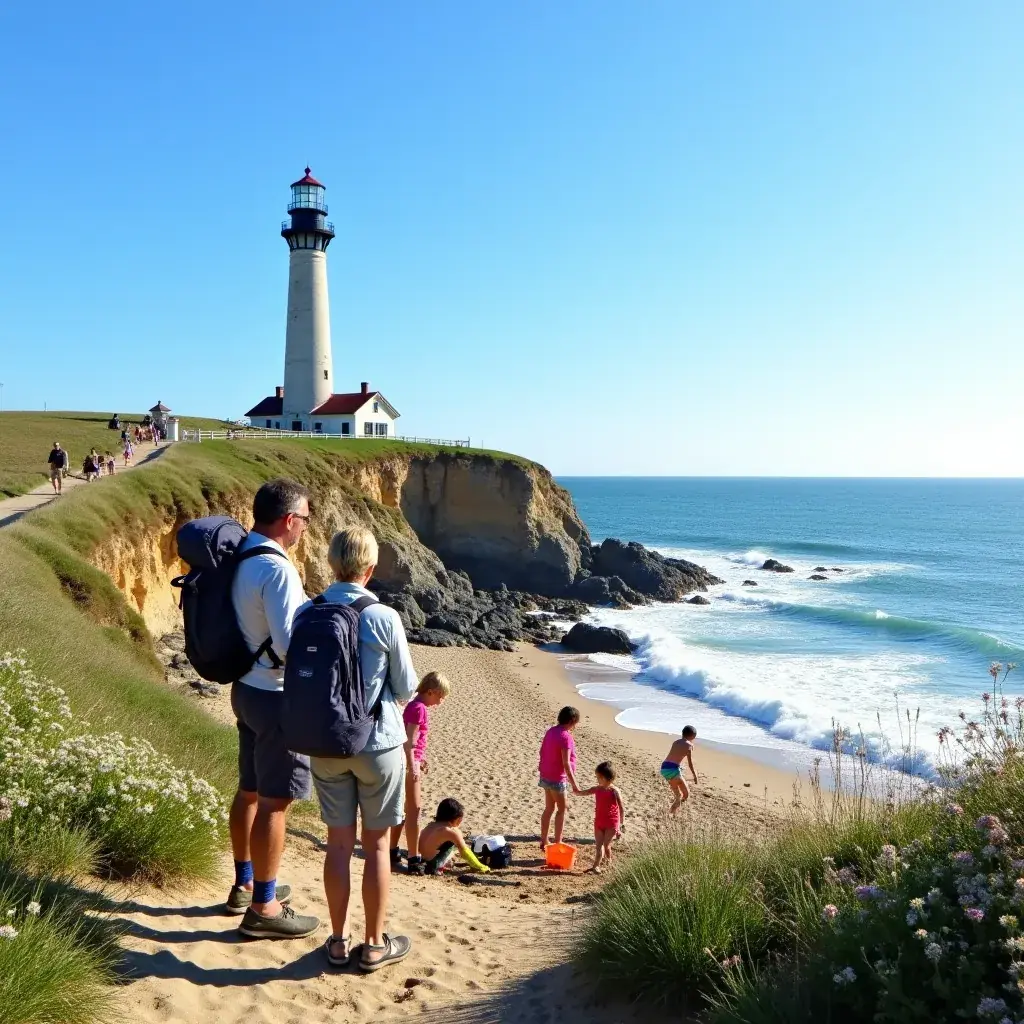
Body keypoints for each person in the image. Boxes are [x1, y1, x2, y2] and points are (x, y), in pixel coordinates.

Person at [309, 526, 419, 972]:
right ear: (370, 569)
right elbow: (406, 686)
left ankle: (337, 941)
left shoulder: (308, 611)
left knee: (338, 846)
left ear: (332, 563)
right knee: (375, 847)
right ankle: (374, 944)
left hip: (325, 742)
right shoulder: (384, 617)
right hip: (377, 743)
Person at [228, 478, 320, 939]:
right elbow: (287, 647)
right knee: (274, 803)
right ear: (289, 520)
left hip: (245, 687)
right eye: (304, 519)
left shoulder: (243, 552)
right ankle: (264, 907)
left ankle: (245, 884)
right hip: (275, 695)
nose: (305, 527)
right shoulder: (279, 569)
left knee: (248, 791)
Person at [391, 671, 451, 875]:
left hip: (406, 760)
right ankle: (413, 857)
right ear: (431, 692)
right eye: (441, 697)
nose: (441, 701)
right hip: (408, 762)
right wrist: (413, 764)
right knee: (414, 810)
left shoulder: (412, 705)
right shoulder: (420, 709)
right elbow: (410, 740)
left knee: (401, 808)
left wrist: (419, 759)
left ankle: (392, 850)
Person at [538, 706, 581, 850]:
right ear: (572, 721)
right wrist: (574, 784)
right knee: (562, 809)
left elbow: (541, 751)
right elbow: (566, 763)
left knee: (549, 808)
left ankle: (544, 841)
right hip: (557, 779)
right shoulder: (565, 736)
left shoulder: (550, 731)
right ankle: (558, 841)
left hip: (546, 775)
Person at [417, 798, 491, 876]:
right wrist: (481, 867)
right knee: (456, 842)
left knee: (449, 844)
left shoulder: (430, 825)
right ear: (456, 818)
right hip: (433, 867)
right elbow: (465, 852)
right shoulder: (451, 831)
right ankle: (440, 868)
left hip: (422, 861)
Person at [576, 762, 625, 873]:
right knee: (599, 846)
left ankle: (604, 863)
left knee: (606, 845)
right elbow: (583, 793)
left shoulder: (614, 791)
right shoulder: (597, 789)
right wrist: (575, 790)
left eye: (598, 777)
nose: (597, 779)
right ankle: (599, 865)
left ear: (606, 778)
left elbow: (621, 808)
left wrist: (621, 825)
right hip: (599, 822)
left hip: (611, 823)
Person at [661, 725, 699, 813]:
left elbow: (674, 756)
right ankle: (672, 812)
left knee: (678, 794)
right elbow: (690, 763)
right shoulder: (689, 746)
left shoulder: (675, 742)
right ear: (693, 736)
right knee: (686, 794)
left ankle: (673, 812)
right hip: (673, 770)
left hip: (664, 768)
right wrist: (695, 775)